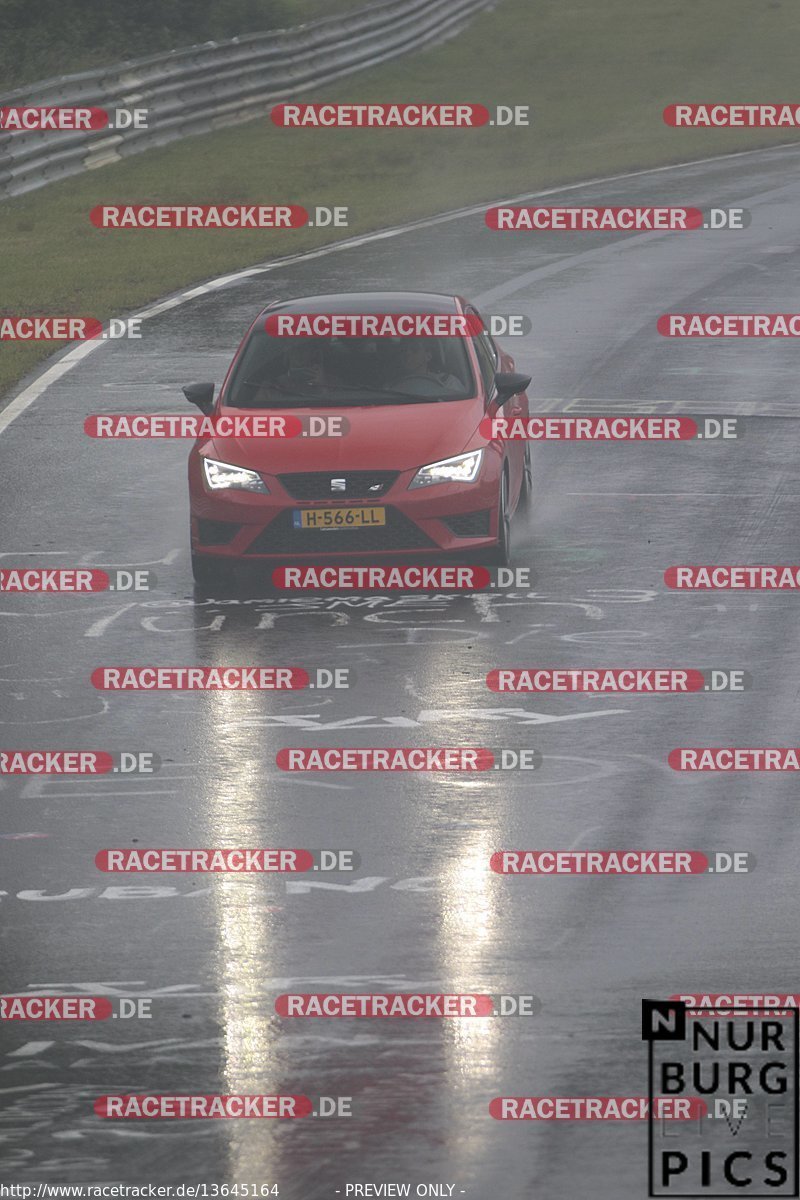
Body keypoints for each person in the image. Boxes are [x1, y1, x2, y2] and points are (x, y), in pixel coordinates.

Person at [387, 338, 463, 396]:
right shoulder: (388, 388)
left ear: (428, 356)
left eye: (415, 349)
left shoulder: (449, 383)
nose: (407, 353)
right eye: (403, 349)